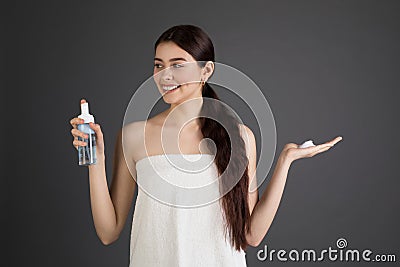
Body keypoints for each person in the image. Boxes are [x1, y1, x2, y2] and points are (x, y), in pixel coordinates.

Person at [69, 24, 342, 266]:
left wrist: (284, 162)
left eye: (177, 65)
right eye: (158, 65)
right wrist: (95, 159)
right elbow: (108, 232)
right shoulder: (133, 136)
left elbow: (251, 235)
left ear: (206, 70)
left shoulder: (239, 136)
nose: (166, 75)